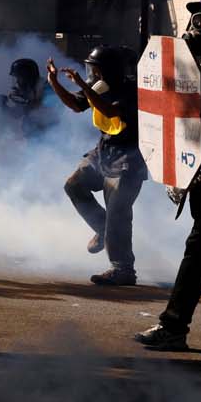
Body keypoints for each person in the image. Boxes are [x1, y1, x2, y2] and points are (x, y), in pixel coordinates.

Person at [138, 0, 201, 349]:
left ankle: (173, 326)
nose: (194, 28)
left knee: (199, 249)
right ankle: (173, 327)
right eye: (196, 19)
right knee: (200, 250)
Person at [47, 45, 147, 286]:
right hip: (103, 152)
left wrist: (83, 85)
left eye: (95, 70)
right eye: (90, 70)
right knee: (74, 185)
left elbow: (109, 110)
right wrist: (54, 82)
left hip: (128, 159)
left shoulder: (129, 91)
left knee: (118, 214)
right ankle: (102, 229)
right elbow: (76, 104)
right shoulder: (96, 87)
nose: (92, 74)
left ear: (108, 71)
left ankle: (123, 270)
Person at [0, 57, 49, 138]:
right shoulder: (27, 89)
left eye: (19, 77)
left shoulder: (45, 87)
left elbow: (48, 110)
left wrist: (25, 102)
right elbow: (17, 114)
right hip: (32, 134)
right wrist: (3, 106)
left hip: (48, 132)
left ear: (27, 76)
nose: (17, 81)